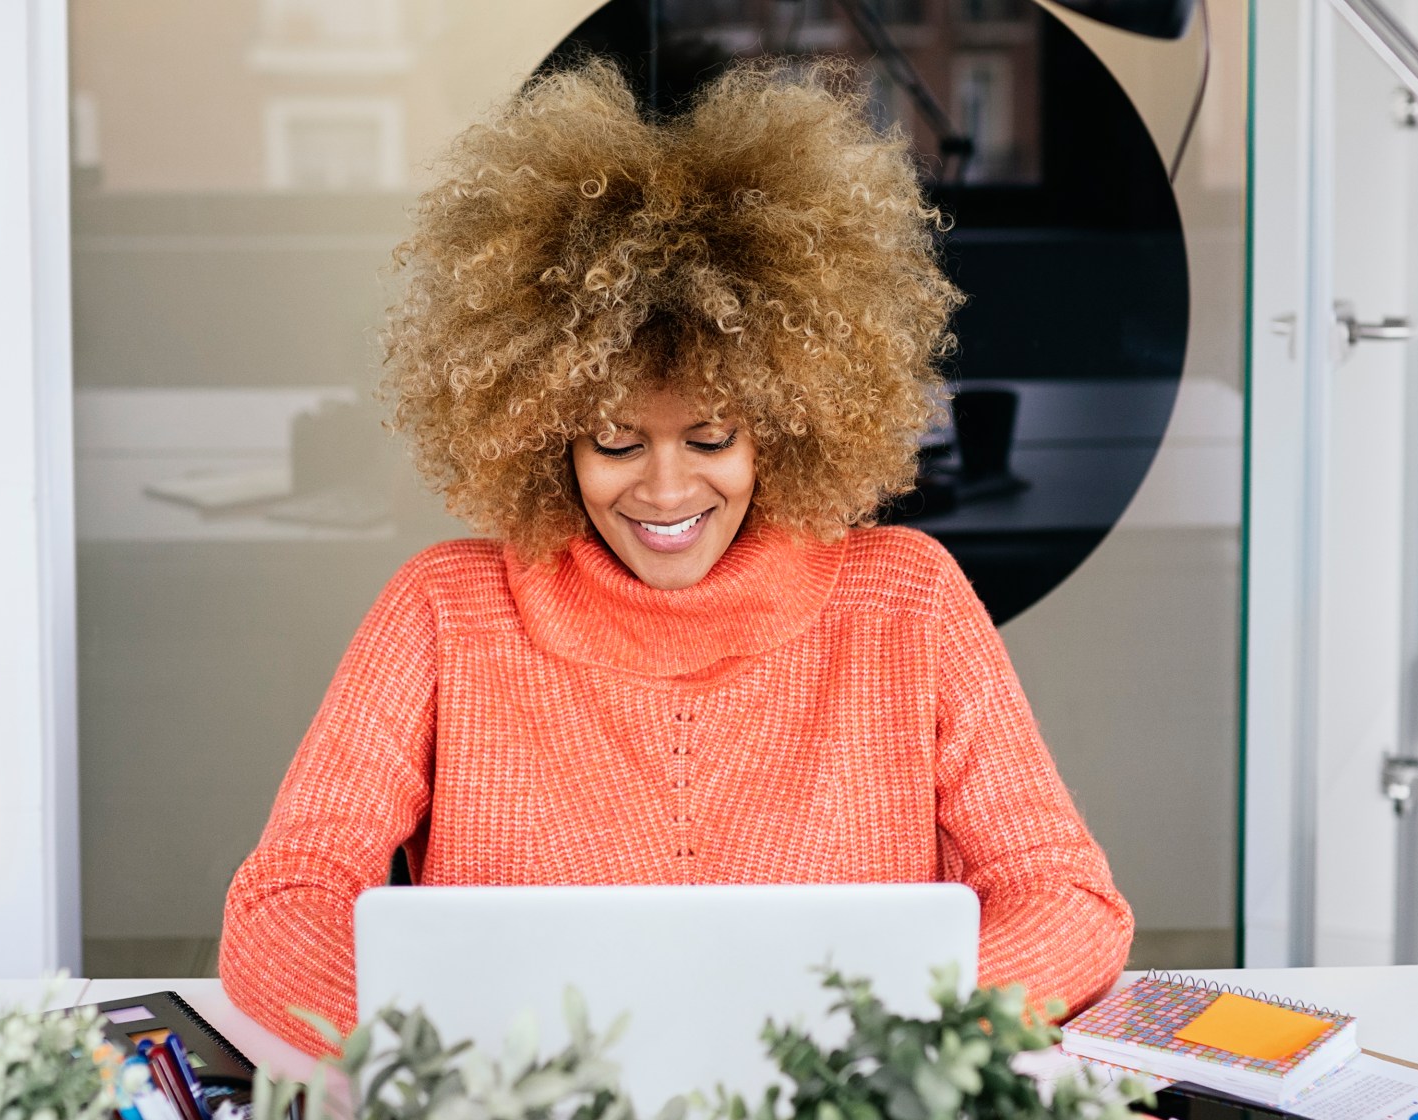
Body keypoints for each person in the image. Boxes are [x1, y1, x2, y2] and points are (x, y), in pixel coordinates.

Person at [218, 59, 1131, 1056]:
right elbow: (280, 906)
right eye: (615, 441)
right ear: (544, 430)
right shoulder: (446, 610)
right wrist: (463, 1066)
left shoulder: (906, 603)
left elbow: (1067, 900)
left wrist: (892, 1059)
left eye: (710, 440)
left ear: (783, 425)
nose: (663, 492)